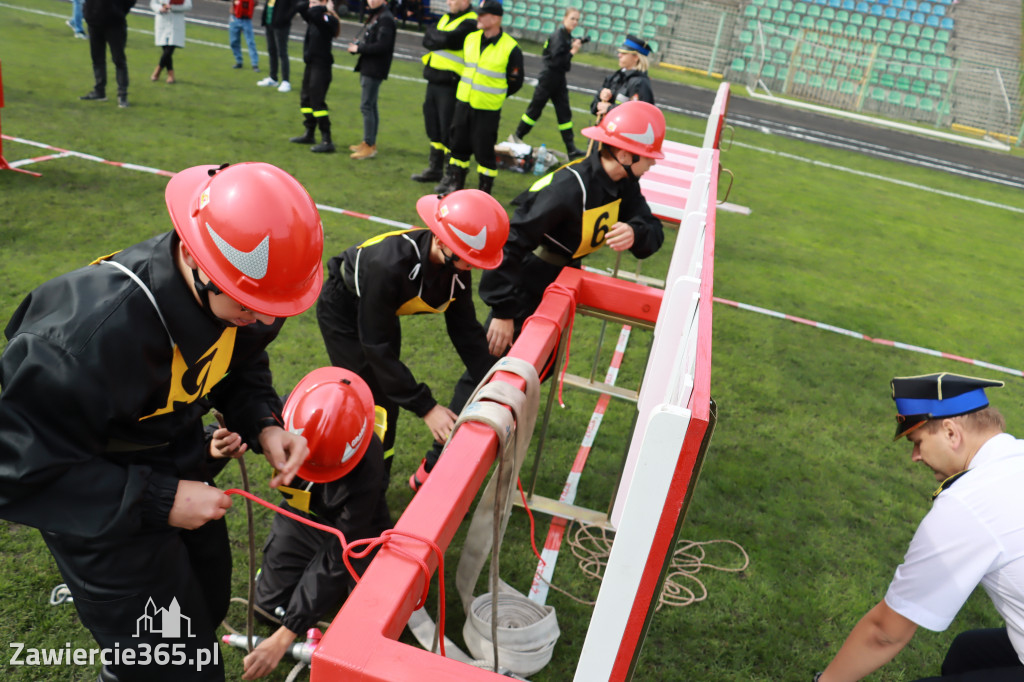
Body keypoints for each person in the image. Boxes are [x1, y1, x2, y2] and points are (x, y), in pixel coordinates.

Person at [0, 162, 324, 682]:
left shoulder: (243, 296)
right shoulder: (85, 338)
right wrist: (159, 499)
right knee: (170, 662)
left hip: (176, 463)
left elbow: (240, 363)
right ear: (197, 260)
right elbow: (17, 469)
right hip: (98, 506)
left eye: (274, 309)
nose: (265, 321)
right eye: (250, 305)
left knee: (207, 600)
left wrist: (264, 421)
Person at [413, 100, 666, 490]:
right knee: (485, 376)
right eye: (647, 157)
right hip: (525, 286)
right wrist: (503, 309)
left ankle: (481, 460)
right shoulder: (568, 188)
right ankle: (435, 470)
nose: (652, 165)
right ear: (624, 153)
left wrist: (636, 232)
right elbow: (509, 243)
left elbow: (651, 229)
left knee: (531, 379)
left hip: (559, 285)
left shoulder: (623, 184)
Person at [816, 372, 1024, 682]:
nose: (915, 457)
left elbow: (885, 633)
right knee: (966, 652)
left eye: (917, 442)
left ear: (951, 433)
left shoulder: (967, 503)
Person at [315, 189, 509, 476]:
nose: (473, 267)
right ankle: (350, 480)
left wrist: (496, 384)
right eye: (470, 259)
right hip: (343, 308)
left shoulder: (456, 268)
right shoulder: (389, 265)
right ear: (442, 241)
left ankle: (374, 480)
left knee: (386, 400)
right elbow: (376, 345)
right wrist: (427, 407)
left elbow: (465, 330)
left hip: (381, 311)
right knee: (367, 397)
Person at [238, 367, 392, 680]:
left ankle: (328, 593)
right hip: (301, 516)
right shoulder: (280, 415)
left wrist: (285, 638)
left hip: (355, 532)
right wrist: (217, 442)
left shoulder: (368, 464)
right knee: (266, 608)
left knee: (372, 616)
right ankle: (299, 584)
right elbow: (234, 417)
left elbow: (340, 550)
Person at [434, 0, 524, 196]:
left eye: (483, 14)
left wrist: (496, 95)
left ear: (496, 18)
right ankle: (455, 189)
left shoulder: (511, 48)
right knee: (458, 148)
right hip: (463, 104)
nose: (478, 17)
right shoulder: (471, 39)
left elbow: (516, 82)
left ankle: (483, 193)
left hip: (487, 109)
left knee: (484, 154)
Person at [409, 0, 477, 183]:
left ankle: (450, 173)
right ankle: (435, 168)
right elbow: (428, 38)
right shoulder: (447, 18)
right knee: (434, 126)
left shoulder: (470, 22)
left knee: (449, 129)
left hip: (451, 82)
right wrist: (438, 37)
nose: (449, 2)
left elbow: (449, 40)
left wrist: (437, 37)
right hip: (434, 80)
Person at [512, 7, 586, 160]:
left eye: (577, 19)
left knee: (564, 113)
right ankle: (517, 136)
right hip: (549, 78)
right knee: (535, 109)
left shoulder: (565, 36)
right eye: (572, 18)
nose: (575, 22)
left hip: (558, 79)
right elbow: (557, 61)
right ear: (564, 18)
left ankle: (571, 148)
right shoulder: (559, 36)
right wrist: (572, 51)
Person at [288, 0, 341, 153]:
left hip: (322, 66)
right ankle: (309, 132)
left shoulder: (328, 19)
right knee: (305, 99)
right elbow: (299, 6)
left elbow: (312, 12)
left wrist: (325, 8)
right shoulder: (314, 16)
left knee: (318, 103)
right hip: (311, 64)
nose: (311, 5)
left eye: (314, 2)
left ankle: (327, 140)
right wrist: (318, 4)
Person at [347, 0, 396, 161]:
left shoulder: (385, 18)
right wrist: (359, 47)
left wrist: (359, 48)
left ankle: (369, 146)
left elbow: (383, 45)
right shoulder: (379, 15)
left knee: (367, 106)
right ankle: (368, 142)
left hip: (374, 68)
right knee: (370, 105)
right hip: (370, 66)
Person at [80, 0, 136, 108]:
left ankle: (122, 95)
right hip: (94, 20)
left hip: (114, 23)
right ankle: (99, 91)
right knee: (97, 58)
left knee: (118, 59)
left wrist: (118, 11)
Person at [590, 34, 655, 118]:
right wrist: (601, 96)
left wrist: (609, 108)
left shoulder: (640, 83)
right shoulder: (615, 76)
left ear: (636, 57)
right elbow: (594, 109)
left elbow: (639, 115)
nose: (619, 55)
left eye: (624, 53)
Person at [150, 0, 192, 85]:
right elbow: (153, 3)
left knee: (170, 49)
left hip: (176, 21)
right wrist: (160, 9)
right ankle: (170, 74)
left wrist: (172, 7)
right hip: (162, 19)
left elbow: (188, 6)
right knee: (165, 48)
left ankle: (158, 69)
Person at [257, 0, 294, 92]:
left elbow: (296, 6)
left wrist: (285, 18)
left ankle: (286, 81)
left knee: (282, 52)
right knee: (271, 50)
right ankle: (273, 78)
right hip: (270, 23)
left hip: (281, 25)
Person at [229, 0, 260, 72]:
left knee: (250, 42)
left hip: (246, 19)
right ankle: (238, 61)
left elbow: (256, 3)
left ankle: (254, 64)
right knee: (233, 41)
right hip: (235, 17)